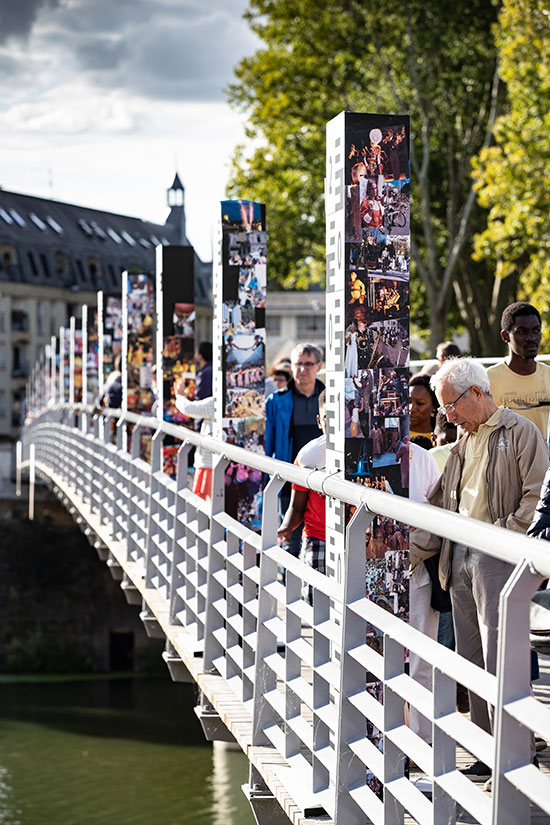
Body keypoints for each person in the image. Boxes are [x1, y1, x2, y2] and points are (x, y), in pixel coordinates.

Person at [410, 357, 548, 779]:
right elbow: (438, 502)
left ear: (475, 393)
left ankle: (516, 749)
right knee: (470, 658)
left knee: (499, 657)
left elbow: (536, 496)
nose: (446, 415)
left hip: (496, 555)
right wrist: (409, 551)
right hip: (459, 553)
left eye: (450, 405)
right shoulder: (462, 442)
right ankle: (488, 748)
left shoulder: (521, 431)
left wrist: (502, 537)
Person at [265, 343, 324, 557]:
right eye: (298, 364)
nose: (302, 369)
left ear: (318, 366)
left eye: (308, 364)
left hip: (322, 478)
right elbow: (268, 445)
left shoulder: (330, 399)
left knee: (319, 537)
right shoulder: (276, 401)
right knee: (290, 539)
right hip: (289, 476)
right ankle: (287, 586)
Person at [278, 391, 327, 603]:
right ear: (319, 421)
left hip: (357, 542)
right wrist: (287, 527)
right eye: (328, 418)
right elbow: (297, 506)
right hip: (318, 538)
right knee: (316, 602)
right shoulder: (309, 455)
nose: (334, 425)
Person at [487, 302, 550, 444]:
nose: (531, 338)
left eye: (536, 330)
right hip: (507, 463)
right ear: (505, 336)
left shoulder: (548, 375)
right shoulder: (488, 380)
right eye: (522, 332)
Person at [174, 382, 214, 501]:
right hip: (231, 463)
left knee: (204, 501)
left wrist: (180, 396)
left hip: (208, 461)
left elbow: (190, 409)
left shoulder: (217, 402)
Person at [409, 373, 438, 444]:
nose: (411, 408)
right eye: (408, 402)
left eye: (420, 403)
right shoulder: (397, 435)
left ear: (434, 405)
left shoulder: (442, 437)